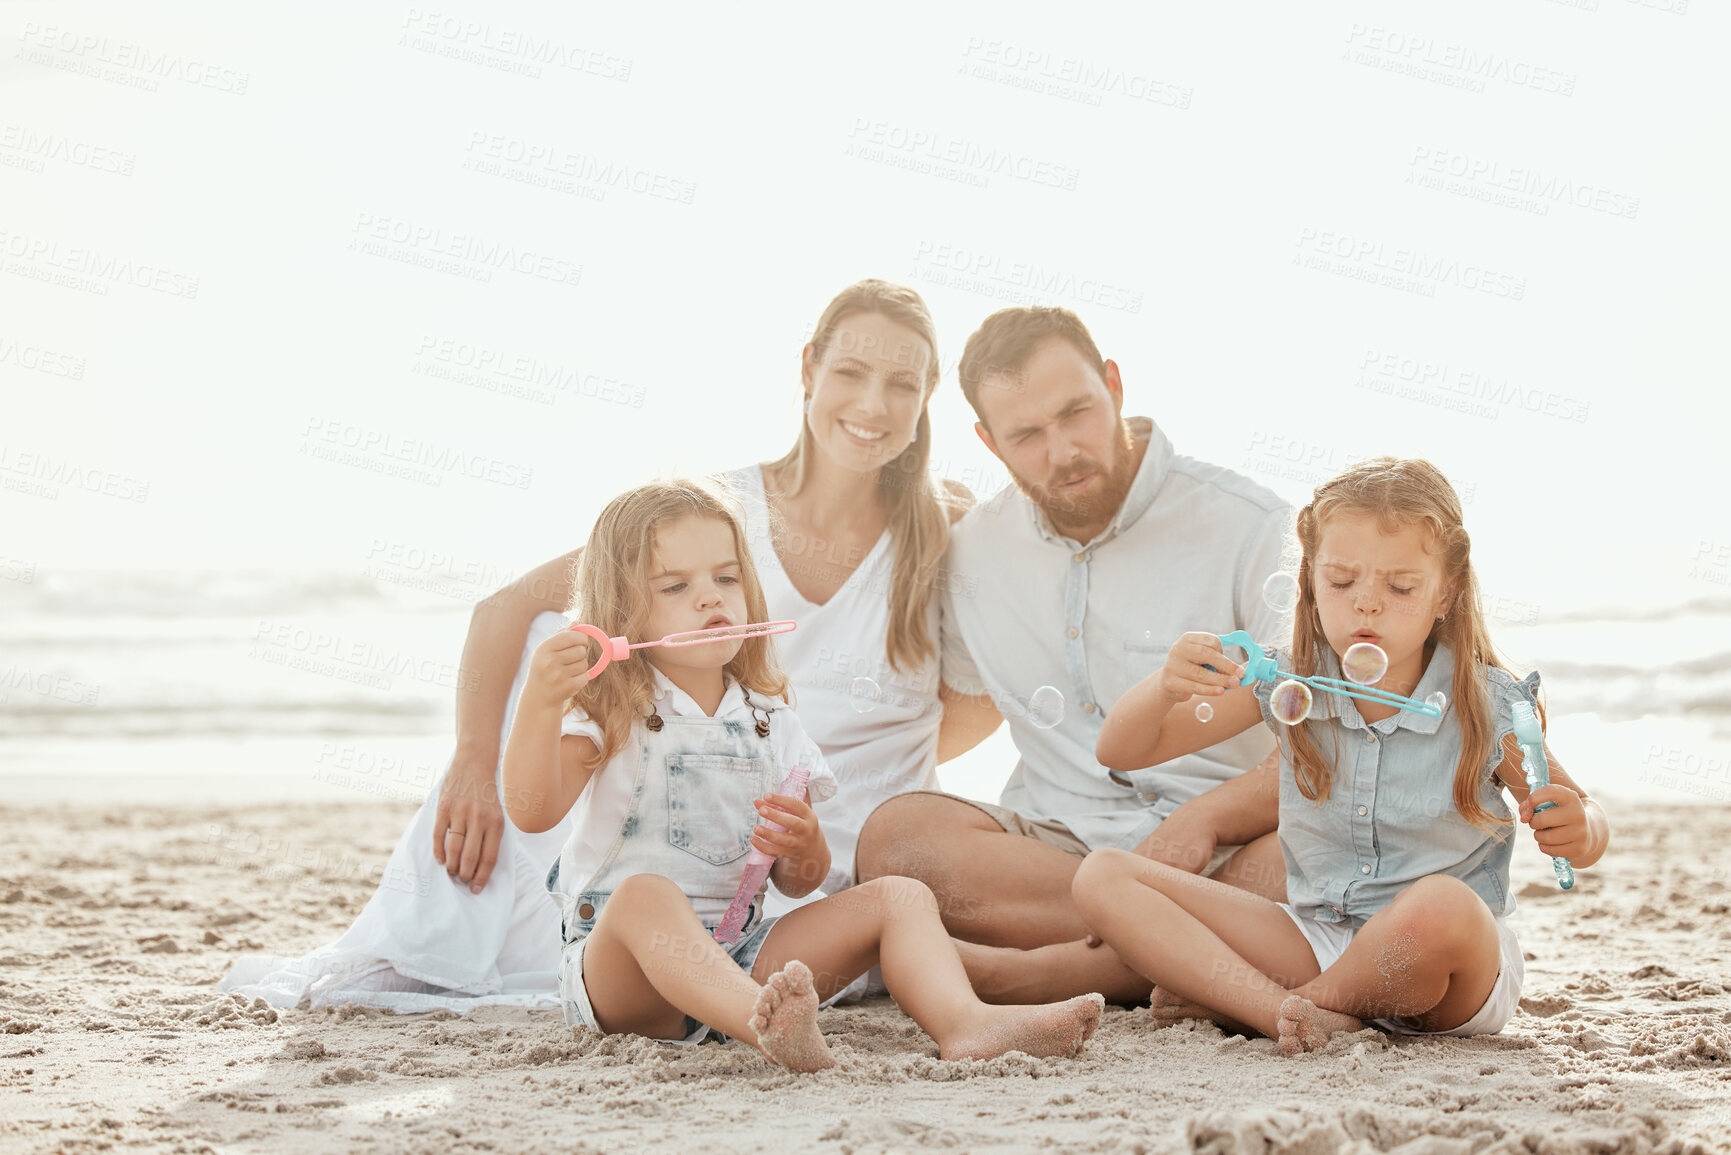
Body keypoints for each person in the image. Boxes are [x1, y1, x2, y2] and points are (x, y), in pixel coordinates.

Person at [221, 280, 972, 1010]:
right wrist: (474, 760)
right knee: (563, 638)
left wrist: (851, 779)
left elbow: (976, 699)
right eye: (849, 372)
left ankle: (967, 1005)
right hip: (663, 836)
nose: (872, 405)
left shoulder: (942, 531)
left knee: (932, 933)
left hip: (799, 853)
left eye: (900, 383)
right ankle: (725, 1003)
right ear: (808, 367)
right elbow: (505, 607)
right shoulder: (706, 514)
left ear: (929, 391)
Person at [508, 477, 1103, 1068]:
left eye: (726, 577)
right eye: (676, 586)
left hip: (743, 958)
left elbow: (799, 882)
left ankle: (965, 1023)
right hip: (630, 984)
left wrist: (804, 843)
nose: (712, 599)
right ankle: (762, 1025)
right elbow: (533, 811)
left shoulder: (772, 722)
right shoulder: (609, 711)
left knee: (900, 897)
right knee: (643, 898)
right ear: (621, 614)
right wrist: (538, 704)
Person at [1074, 457, 1610, 1053]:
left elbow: (1584, 822)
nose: (1367, 605)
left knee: (1441, 905)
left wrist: (1577, 828)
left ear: (1446, 591)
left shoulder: (1486, 703)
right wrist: (1165, 687)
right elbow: (1120, 748)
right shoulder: (1286, 680)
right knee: (1103, 875)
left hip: (1441, 971)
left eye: (1400, 586)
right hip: (1317, 937)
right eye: (1341, 581)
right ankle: (1289, 1012)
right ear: (1309, 580)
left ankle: (1274, 1005)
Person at [855, 306, 1293, 1005]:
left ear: (1114, 385)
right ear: (988, 441)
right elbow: (961, 709)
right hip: (1060, 850)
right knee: (898, 840)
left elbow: (1323, 731)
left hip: (1223, 849)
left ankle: (1052, 972)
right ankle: (1169, 956)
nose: (1062, 452)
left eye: (1076, 412)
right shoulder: (971, 554)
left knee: (1307, 860)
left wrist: (1206, 817)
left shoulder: (1251, 526)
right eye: (1026, 434)